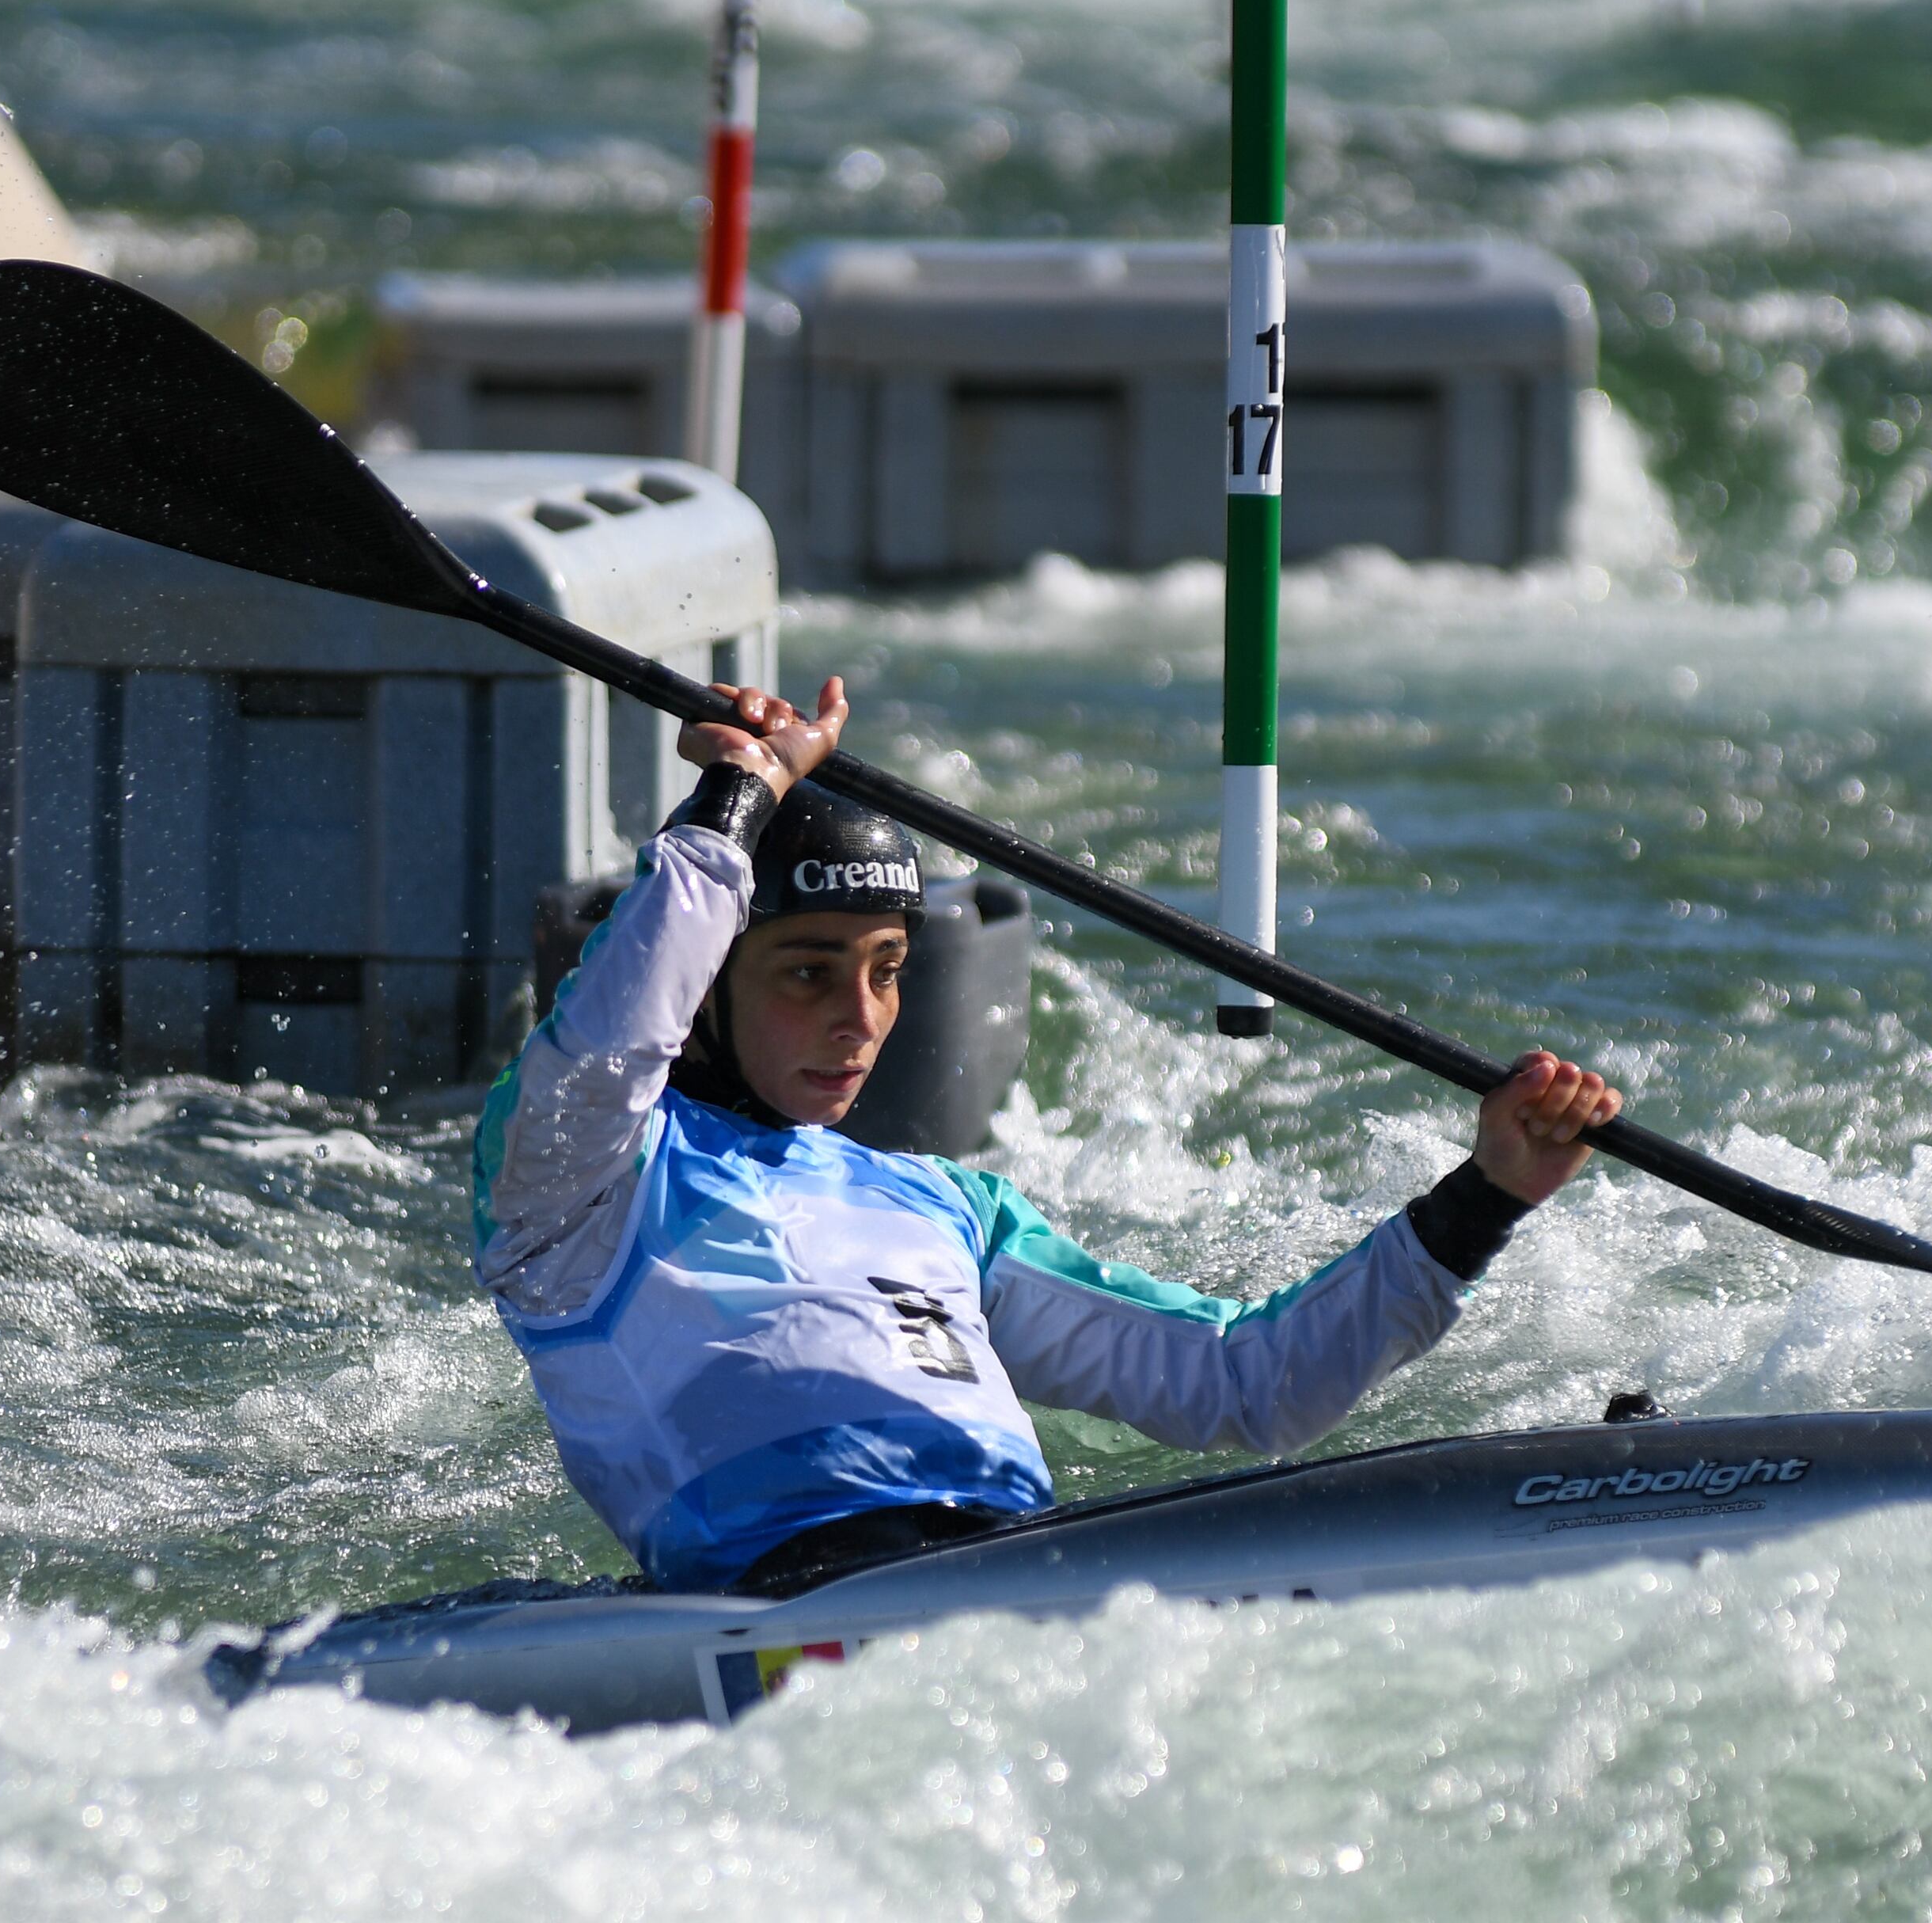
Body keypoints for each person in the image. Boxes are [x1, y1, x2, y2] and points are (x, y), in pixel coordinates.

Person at [472, 675, 1623, 1597]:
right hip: (793, 1595)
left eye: (886, 971)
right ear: (710, 975)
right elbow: (619, 1030)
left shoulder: (947, 1207)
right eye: (808, 971)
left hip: (1022, 1567)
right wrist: (736, 800)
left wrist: (1488, 1195)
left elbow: (1246, 1379)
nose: (860, 1017)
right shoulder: (582, 1188)